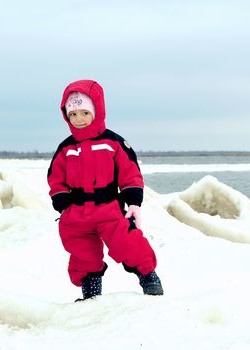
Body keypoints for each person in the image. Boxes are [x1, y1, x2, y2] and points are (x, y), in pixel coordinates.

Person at [47, 79, 163, 301]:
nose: (79, 119)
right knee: (83, 254)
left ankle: (149, 277)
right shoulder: (66, 148)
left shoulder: (113, 142)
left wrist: (133, 203)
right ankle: (91, 295)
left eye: (84, 113)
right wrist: (63, 205)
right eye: (73, 114)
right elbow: (55, 178)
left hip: (108, 208)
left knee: (128, 242)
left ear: (96, 111)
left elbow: (130, 174)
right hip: (77, 213)